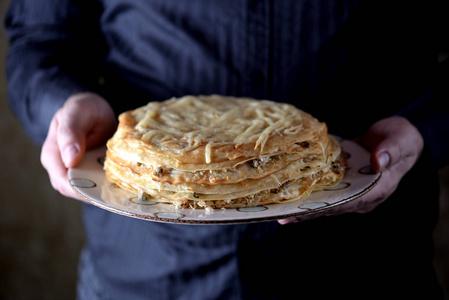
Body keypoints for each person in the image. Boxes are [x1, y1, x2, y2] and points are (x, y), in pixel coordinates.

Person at [5, 1, 449, 299]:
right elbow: (40, 40)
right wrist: (64, 106)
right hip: (145, 276)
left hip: (367, 268)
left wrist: (424, 128)